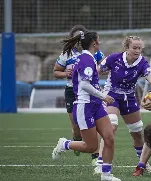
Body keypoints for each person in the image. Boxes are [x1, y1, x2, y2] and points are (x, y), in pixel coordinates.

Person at [51, 31, 121, 181]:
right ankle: (65, 144)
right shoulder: (86, 59)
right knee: (90, 146)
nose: (100, 43)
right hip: (85, 106)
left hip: (96, 105)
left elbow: (91, 82)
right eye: (99, 40)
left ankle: (106, 175)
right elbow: (84, 84)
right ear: (94, 43)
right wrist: (104, 96)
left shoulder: (87, 58)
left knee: (109, 138)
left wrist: (100, 97)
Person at [95, 36, 151, 173]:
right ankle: (100, 163)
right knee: (110, 127)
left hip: (129, 97)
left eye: (139, 48)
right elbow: (96, 71)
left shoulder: (142, 63)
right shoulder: (114, 58)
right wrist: (95, 89)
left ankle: (143, 163)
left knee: (137, 133)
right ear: (127, 48)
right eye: (134, 47)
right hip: (111, 95)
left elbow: (150, 75)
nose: (137, 50)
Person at [53, 25, 104, 162]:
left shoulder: (94, 53)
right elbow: (56, 71)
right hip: (72, 92)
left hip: (91, 92)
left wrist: (97, 70)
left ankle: (96, 157)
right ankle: (75, 142)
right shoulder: (67, 54)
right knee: (76, 127)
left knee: (96, 125)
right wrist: (65, 73)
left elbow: (104, 66)